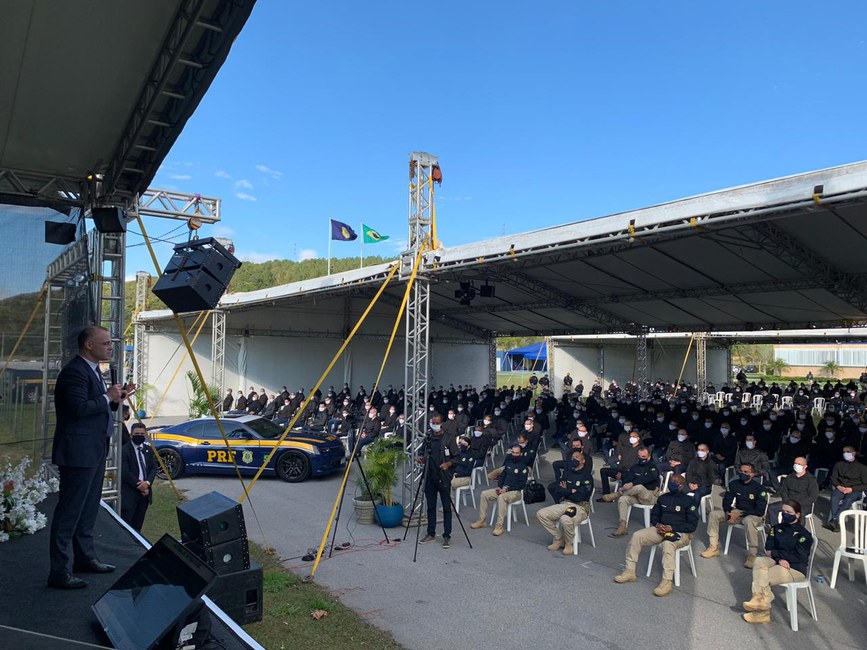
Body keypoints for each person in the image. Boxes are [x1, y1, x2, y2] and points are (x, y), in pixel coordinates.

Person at [48, 325, 135, 589]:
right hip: (78, 454)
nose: (110, 347)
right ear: (89, 345)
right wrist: (107, 396)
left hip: (95, 450)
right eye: (106, 343)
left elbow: (96, 405)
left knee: (88, 509)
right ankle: (59, 571)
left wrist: (115, 399)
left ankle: (85, 558)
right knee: (69, 511)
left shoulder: (94, 371)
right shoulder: (74, 373)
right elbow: (76, 409)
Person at [613, 474, 699, 596]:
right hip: (661, 529)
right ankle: (629, 571)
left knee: (668, 545)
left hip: (680, 532)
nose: (672, 483)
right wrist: (658, 525)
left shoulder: (689, 502)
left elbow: (692, 526)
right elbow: (655, 515)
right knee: (637, 536)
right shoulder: (663, 498)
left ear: (682, 486)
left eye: (675, 482)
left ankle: (667, 581)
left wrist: (672, 528)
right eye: (671, 481)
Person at [742, 499, 813, 624]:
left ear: (797, 514)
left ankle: (762, 608)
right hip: (777, 560)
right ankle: (759, 600)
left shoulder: (804, 535)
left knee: (764, 575)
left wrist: (779, 555)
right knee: (759, 561)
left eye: (789, 512)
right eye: (783, 511)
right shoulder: (776, 528)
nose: (785, 514)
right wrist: (780, 558)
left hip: (795, 568)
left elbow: (800, 556)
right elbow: (768, 548)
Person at [701, 462, 768, 568]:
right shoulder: (734, 484)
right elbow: (727, 500)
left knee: (748, 521)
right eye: (741, 471)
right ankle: (713, 547)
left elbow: (760, 510)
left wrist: (741, 514)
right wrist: (729, 512)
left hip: (753, 514)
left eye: (746, 472)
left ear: (752, 474)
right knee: (714, 514)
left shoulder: (759, 489)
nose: (742, 473)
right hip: (737, 511)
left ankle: (752, 555)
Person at [536, 450, 593, 555]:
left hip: (580, 507)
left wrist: (566, 490)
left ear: (583, 461)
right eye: (572, 458)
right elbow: (557, 489)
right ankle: (559, 538)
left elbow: (580, 496)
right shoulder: (568, 473)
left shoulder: (587, 476)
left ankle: (569, 544)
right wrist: (571, 490)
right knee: (542, 514)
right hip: (565, 503)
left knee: (565, 519)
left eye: (577, 458)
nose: (574, 460)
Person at [600, 446, 660, 538]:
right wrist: (624, 485)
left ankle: (616, 494)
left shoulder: (652, 467)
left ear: (648, 457)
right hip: (635, 496)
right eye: (639, 456)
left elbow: (650, 477)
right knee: (623, 499)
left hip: (649, 496)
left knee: (639, 487)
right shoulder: (635, 467)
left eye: (643, 457)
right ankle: (622, 526)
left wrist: (632, 483)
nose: (641, 459)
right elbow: (628, 478)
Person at [472, 443, 529, 536]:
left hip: (515, 492)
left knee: (501, 497)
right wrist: (499, 486)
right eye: (513, 453)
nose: (514, 455)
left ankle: (499, 526)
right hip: (503, 489)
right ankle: (482, 520)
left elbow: (522, 484)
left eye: (517, 453)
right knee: (484, 494)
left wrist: (507, 489)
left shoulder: (523, 467)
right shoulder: (509, 463)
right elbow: (502, 476)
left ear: (521, 454)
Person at [419, 415, 458, 548]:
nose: (434, 425)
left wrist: (448, 464)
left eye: (437, 423)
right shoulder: (428, 437)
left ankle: (447, 535)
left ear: (442, 424)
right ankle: (431, 532)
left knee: (446, 507)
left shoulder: (448, 439)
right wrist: (421, 458)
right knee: (431, 506)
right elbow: (421, 451)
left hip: (443, 476)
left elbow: (457, 457)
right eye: (432, 422)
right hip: (430, 475)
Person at [120, 422, 157, 532]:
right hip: (130, 494)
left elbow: (153, 468)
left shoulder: (148, 449)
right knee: (126, 528)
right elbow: (125, 472)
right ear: (131, 435)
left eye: (142, 434)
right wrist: (140, 485)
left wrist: (147, 484)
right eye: (137, 433)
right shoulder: (124, 450)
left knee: (138, 527)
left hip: (144, 495)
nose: (139, 436)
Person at [825, 446, 867, 531]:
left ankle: (834, 519)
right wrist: (839, 486)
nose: (845, 454)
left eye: (847, 452)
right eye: (844, 452)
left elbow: (865, 484)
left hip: (855, 490)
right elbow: (833, 478)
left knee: (848, 499)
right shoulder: (839, 464)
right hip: (841, 487)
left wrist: (852, 489)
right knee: (834, 497)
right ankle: (836, 522)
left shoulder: (862, 468)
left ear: (853, 453)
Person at [768, 458, 818, 523]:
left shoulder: (811, 480)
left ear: (805, 466)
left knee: (800, 514)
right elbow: (784, 490)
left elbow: (812, 497)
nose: (796, 465)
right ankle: (776, 528)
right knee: (771, 508)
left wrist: (797, 504)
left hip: (803, 505)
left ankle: (798, 530)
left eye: (799, 464)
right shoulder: (789, 477)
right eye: (795, 463)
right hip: (788, 502)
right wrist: (788, 501)